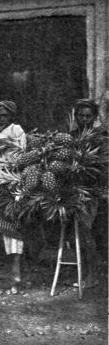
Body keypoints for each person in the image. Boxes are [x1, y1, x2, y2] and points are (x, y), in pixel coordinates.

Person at [68, 99, 107, 288]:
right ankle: (89, 273)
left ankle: (92, 275)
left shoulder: (101, 138)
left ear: (95, 117)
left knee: (90, 232)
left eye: (88, 116)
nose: (84, 119)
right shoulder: (71, 136)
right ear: (76, 116)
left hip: (94, 191)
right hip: (75, 189)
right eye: (81, 116)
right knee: (80, 233)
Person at [0, 100, 26, 290]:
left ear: (12, 116)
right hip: (2, 182)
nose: (1, 119)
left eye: (5, 115)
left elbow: (5, 150)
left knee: (12, 226)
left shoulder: (15, 131)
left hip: (13, 181)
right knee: (5, 225)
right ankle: (11, 269)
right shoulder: (0, 132)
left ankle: (16, 269)